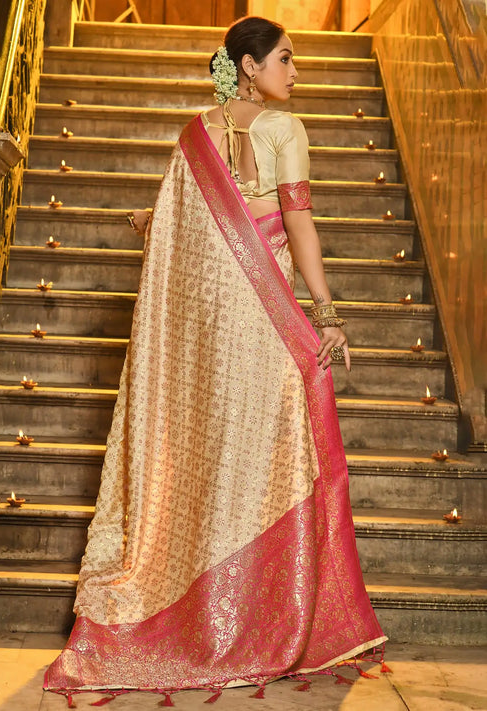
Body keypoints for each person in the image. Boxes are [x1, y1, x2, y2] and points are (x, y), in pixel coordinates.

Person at [44, 16, 387, 706]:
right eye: (285, 59)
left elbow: (188, 219)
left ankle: (205, 609)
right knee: (270, 455)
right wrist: (326, 313)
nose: (295, 72)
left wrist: (154, 220)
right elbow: (296, 221)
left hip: (209, 325)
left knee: (213, 454)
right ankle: (257, 620)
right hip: (261, 317)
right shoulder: (285, 130)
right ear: (249, 66)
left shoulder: (194, 133)